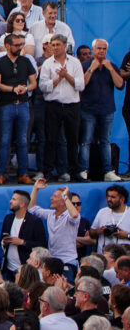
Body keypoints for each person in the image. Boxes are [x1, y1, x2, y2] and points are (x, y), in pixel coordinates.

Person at [0, 34, 37, 185]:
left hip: (23, 104)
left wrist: (26, 88)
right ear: (7, 46)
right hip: (6, 105)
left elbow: (33, 83)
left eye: (21, 44)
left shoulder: (26, 61)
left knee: (23, 141)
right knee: (4, 140)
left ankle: (23, 173)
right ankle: (1, 173)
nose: (20, 48)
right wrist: (12, 89)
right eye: (17, 45)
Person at [40, 35, 84, 183]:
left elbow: (80, 85)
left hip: (72, 106)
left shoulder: (75, 63)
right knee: (51, 139)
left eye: (58, 44)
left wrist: (66, 76)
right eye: (53, 45)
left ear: (65, 46)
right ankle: (47, 171)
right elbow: (43, 86)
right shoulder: (47, 64)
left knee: (73, 140)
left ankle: (74, 171)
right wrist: (59, 78)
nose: (55, 47)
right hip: (53, 105)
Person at [80, 39, 124, 183]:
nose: (101, 51)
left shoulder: (112, 66)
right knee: (86, 141)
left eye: (104, 49)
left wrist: (111, 69)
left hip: (106, 109)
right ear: (93, 49)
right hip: (88, 109)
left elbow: (119, 84)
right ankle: (83, 170)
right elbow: (81, 85)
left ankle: (108, 171)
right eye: (99, 48)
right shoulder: (85, 65)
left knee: (105, 141)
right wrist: (91, 69)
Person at [28, 179, 81, 279]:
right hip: (52, 262)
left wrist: (66, 196)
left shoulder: (70, 216)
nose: (51, 198)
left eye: (55, 196)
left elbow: (74, 215)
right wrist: (35, 188)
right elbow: (31, 209)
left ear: (63, 201)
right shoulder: (50, 214)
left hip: (67, 262)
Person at [2, 189, 50, 276]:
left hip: (27, 271)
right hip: (10, 269)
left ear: (22, 204)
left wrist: (22, 242)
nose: (10, 201)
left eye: (14, 199)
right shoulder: (8, 218)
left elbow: (42, 244)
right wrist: (4, 241)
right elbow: (1, 238)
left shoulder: (34, 221)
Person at [87, 186, 130, 252]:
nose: (109, 199)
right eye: (108, 196)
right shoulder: (102, 212)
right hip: (104, 256)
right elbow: (91, 233)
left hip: (124, 257)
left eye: (113, 197)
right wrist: (98, 231)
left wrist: (127, 235)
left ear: (122, 199)